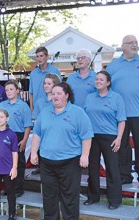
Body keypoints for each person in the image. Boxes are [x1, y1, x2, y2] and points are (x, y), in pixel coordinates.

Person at [30, 82, 93, 219]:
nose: (55, 96)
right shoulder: (45, 112)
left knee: (69, 198)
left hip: (69, 162)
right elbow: (37, 134)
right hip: (47, 163)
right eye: (53, 94)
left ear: (67, 95)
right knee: (49, 197)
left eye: (59, 93)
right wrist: (34, 152)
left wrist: (85, 156)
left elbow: (86, 136)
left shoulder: (78, 113)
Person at [84, 70, 125, 210]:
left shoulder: (116, 98)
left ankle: (114, 200)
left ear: (108, 83)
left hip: (110, 138)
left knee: (112, 169)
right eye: (97, 79)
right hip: (92, 138)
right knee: (93, 169)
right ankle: (93, 197)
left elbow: (121, 121)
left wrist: (119, 138)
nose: (98, 81)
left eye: (101, 79)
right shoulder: (89, 97)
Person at [106, 35, 139, 184]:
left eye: (136, 42)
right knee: (122, 146)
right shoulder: (113, 66)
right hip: (120, 115)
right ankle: (125, 176)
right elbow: (106, 88)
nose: (135, 45)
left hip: (138, 113)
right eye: (131, 43)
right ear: (123, 46)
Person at [0, 80, 32, 197]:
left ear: (17, 90)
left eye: (11, 89)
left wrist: (25, 140)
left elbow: (28, 125)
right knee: (5, 162)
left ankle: (18, 189)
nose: (9, 92)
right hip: (3, 134)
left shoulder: (23, 106)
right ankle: (8, 187)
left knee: (19, 163)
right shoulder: (2, 105)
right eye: (6, 90)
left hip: (18, 135)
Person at [29, 47, 61, 112]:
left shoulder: (55, 71)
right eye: (37, 56)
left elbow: (60, 90)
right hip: (38, 109)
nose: (39, 59)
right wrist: (31, 110)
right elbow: (31, 93)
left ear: (47, 56)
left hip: (53, 108)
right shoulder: (33, 73)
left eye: (41, 56)